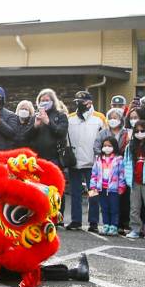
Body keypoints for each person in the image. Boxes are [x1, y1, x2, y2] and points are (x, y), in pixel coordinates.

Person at [66, 90, 105, 232]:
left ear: (90, 102)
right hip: (74, 162)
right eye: (77, 101)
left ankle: (93, 222)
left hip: (92, 163)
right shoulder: (70, 118)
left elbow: (104, 138)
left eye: (82, 101)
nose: (79, 104)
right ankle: (76, 220)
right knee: (75, 193)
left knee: (93, 193)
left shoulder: (99, 118)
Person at [90, 135, 125, 236]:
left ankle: (113, 226)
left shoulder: (118, 159)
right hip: (101, 188)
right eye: (105, 146)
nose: (107, 148)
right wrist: (93, 186)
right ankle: (106, 225)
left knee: (114, 208)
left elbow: (121, 174)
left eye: (109, 146)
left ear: (114, 146)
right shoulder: (98, 159)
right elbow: (94, 173)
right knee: (104, 208)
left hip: (114, 189)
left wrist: (121, 186)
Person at [27, 89, 69, 169]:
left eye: (47, 100)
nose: (44, 102)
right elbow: (27, 137)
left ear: (53, 101)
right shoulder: (35, 116)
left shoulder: (60, 115)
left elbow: (62, 132)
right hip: (37, 158)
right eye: (42, 100)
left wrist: (48, 122)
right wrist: (35, 126)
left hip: (54, 158)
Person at [124, 120, 145, 239]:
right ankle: (135, 229)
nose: (139, 133)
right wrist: (127, 178)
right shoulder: (131, 146)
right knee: (134, 207)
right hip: (135, 181)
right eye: (137, 131)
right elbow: (126, 163)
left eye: (142, 131)